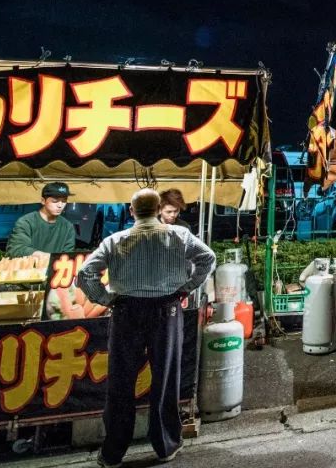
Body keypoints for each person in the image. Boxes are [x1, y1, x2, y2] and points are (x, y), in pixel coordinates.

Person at [77, 188, 217, 467]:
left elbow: (85, 274)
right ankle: (165, 445)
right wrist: (186, 287)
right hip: (166, 310)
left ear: (131, 212)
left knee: (120, 381)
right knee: (165, 378)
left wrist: (105, 299)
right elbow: (208, 259)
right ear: (157, 210)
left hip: (126, 311)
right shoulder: (178, 236)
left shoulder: (115, 240)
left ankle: (113, 451)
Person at [7, 182, 76, 258]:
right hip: (29, 269)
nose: (60, 205)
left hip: (55, 269)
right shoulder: (26, 222)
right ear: (43, 201)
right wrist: (47, 257)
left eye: (64, 201)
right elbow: (16, 249)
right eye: (55, 201)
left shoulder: (68, 227)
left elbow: (67, 256)